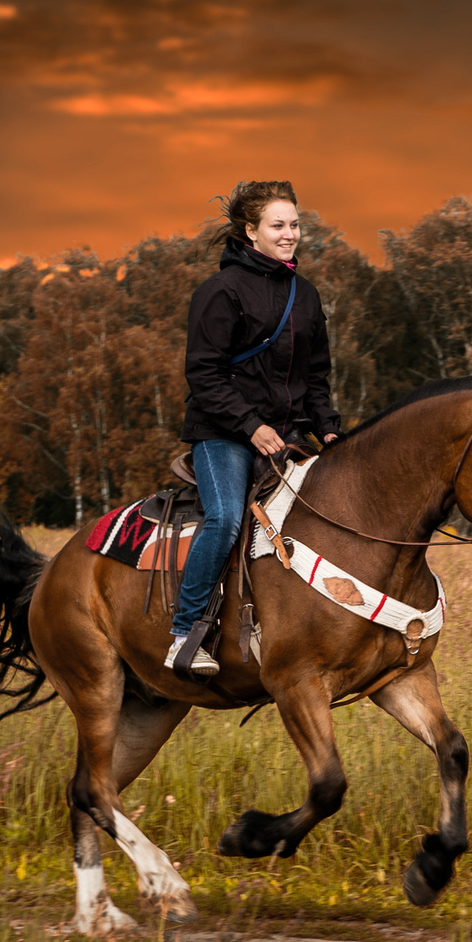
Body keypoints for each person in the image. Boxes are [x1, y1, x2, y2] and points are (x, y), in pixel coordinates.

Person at [171, 179, 342, 673]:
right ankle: (186, 632)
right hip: (223, 435)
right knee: (225, 519)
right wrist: (250, 426)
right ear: (252, 232)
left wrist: (329, 430)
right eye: (278, 226)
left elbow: (315, 377)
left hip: (286, 436)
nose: (290, 234)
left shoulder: (304, 296)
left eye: (295, 225)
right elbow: (203, 373)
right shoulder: (219, 291)